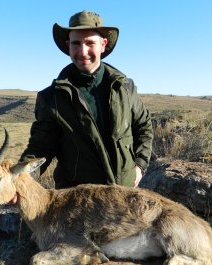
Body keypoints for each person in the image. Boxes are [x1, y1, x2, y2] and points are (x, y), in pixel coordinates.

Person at [20, 10, 153, 189]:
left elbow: (143, 126)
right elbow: (40, 147)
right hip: (79, 205)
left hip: (124, 197)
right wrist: (20, 180)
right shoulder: (52, 98)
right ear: (68, 46)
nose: (83, 52)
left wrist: (139, 166)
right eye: (76, 43)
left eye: (90, 43)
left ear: (103, 45)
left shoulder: (125, 87)